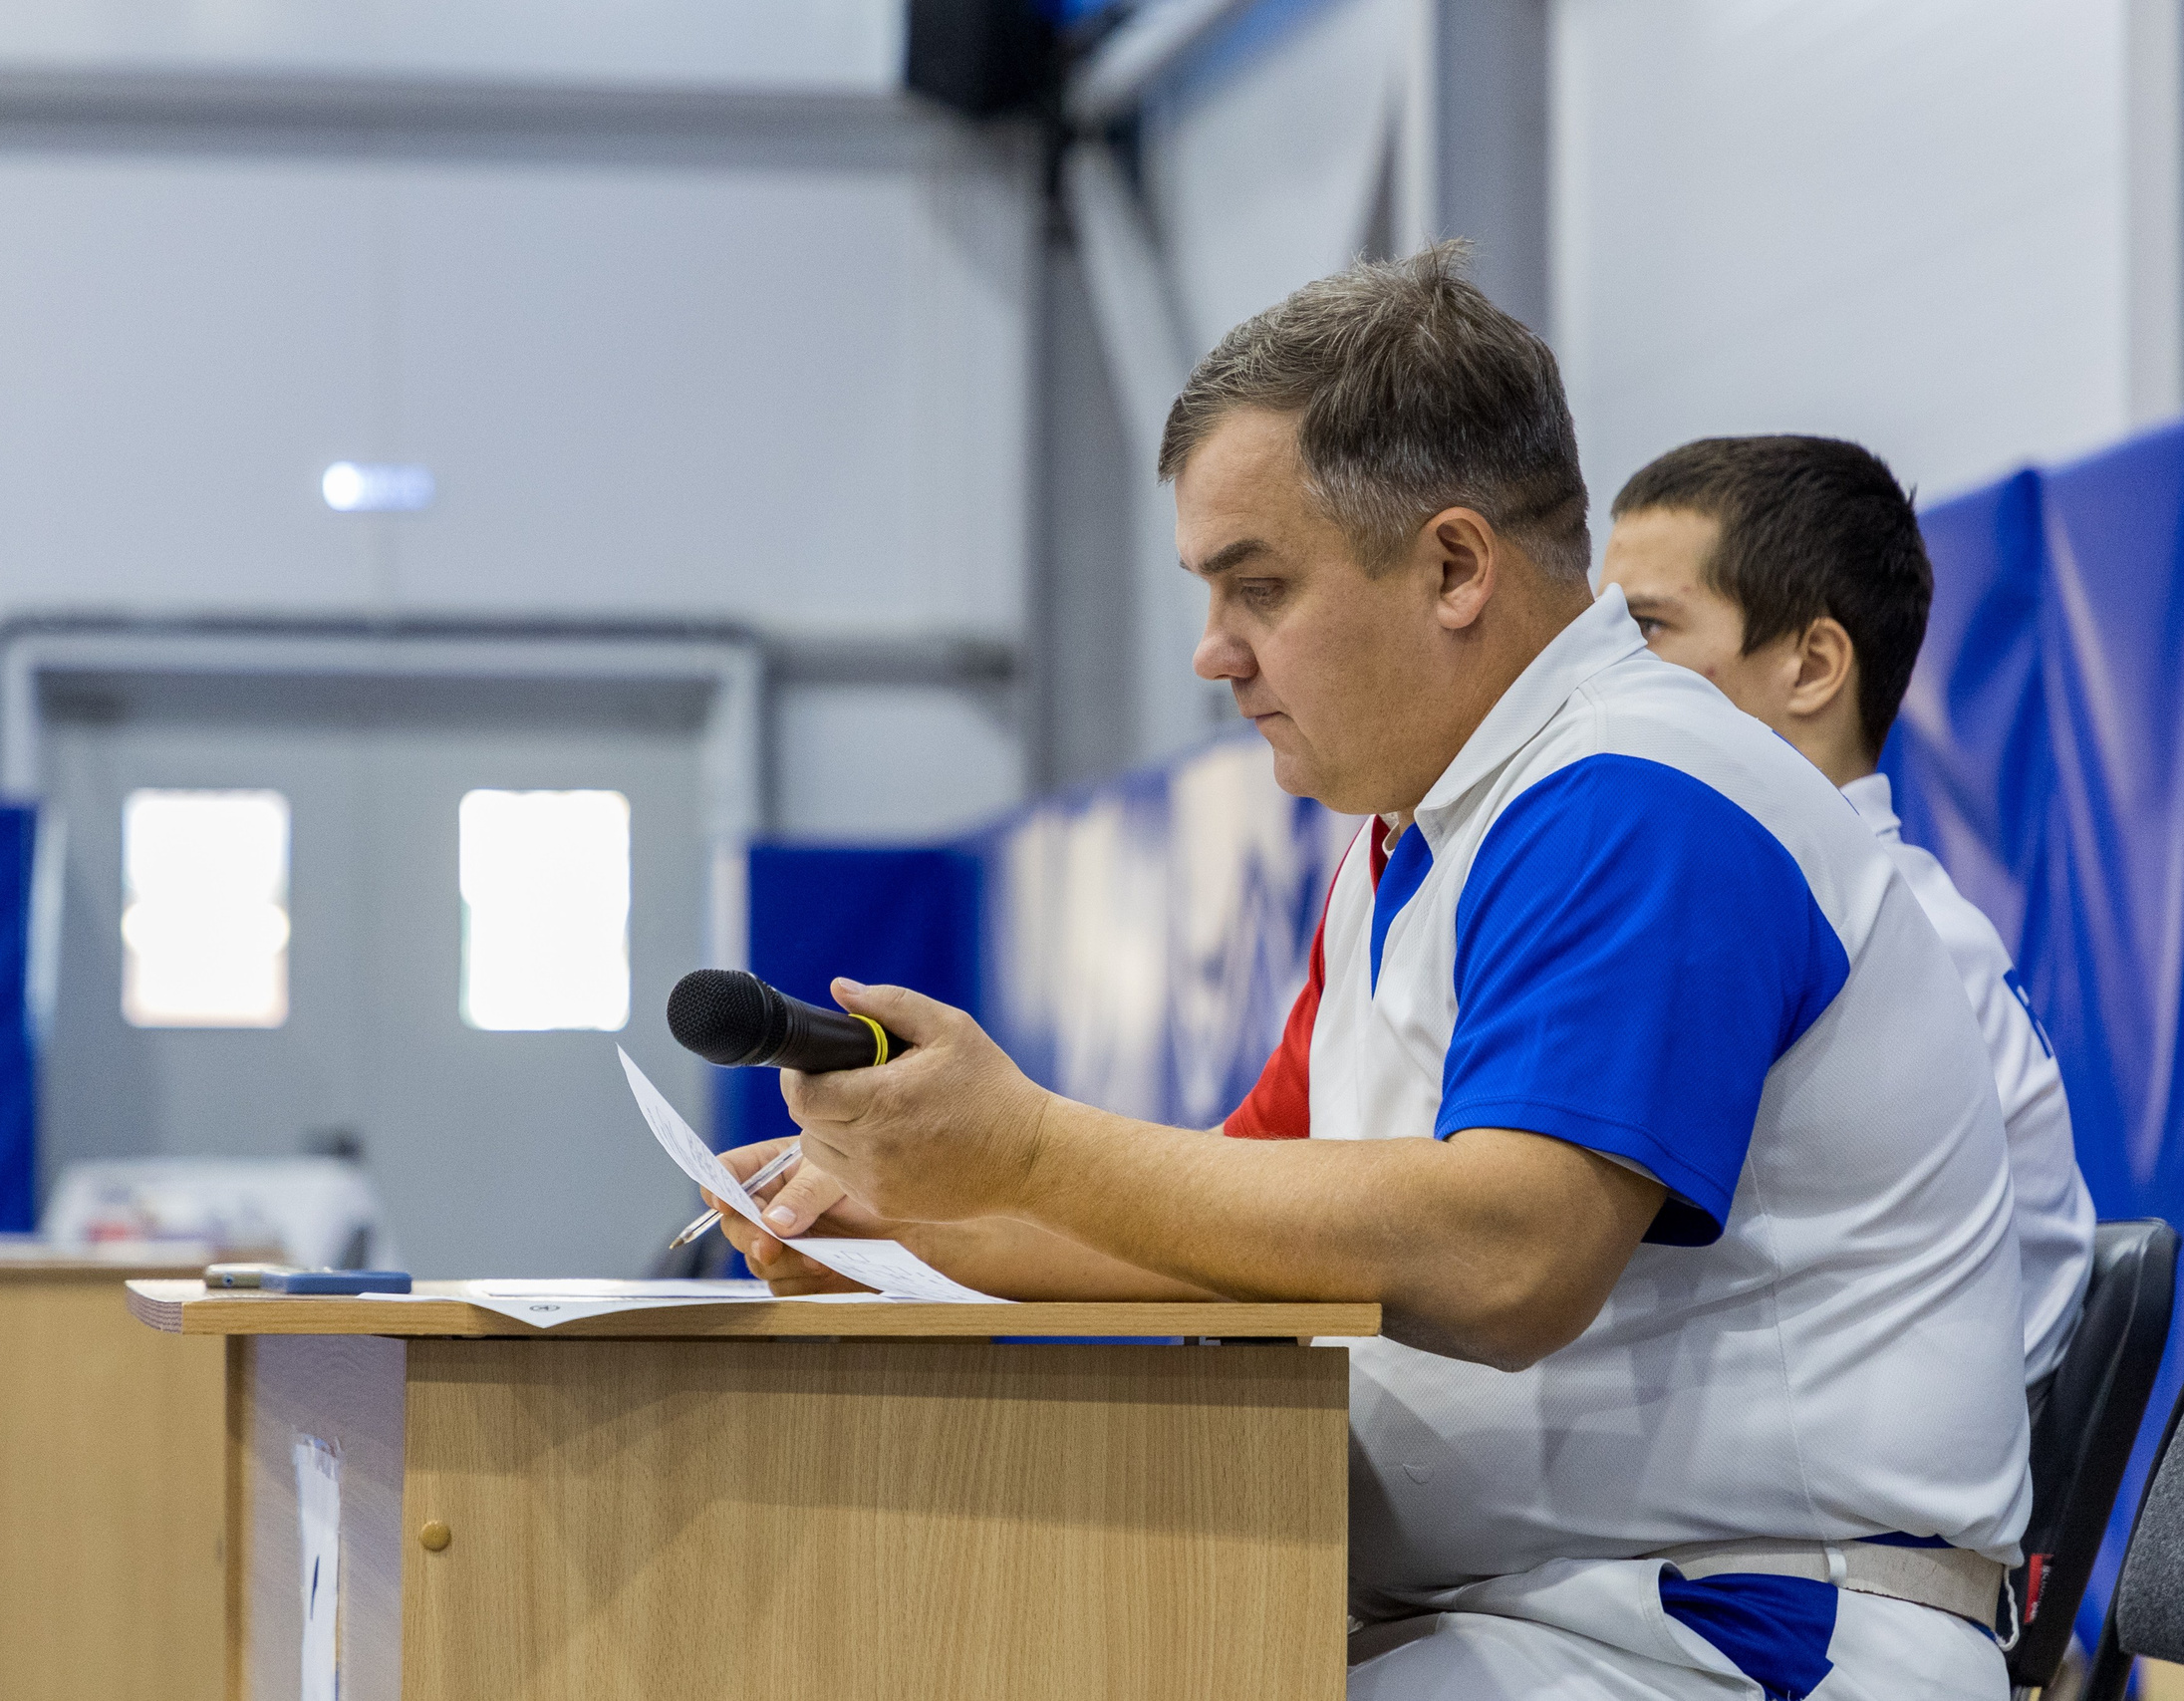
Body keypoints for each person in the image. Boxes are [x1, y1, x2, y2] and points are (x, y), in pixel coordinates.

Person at [708, 243, 2028, 1700]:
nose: (1215, 655)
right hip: (1542, 1620)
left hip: (1726, 1635)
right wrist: (914, 1226)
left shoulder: (1638, 794)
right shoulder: (1428, 834)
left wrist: (1022, 1144)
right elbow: (1224, 1229)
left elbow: (1510, 1258)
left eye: (1256, 587)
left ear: (1455, 565)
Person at [1599, 433, 2095, 1389]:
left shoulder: (1899, 938)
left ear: (1813, 666)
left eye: (1647, 629)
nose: (1602, 670)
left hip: (1857, 1506)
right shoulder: (1809, 904)